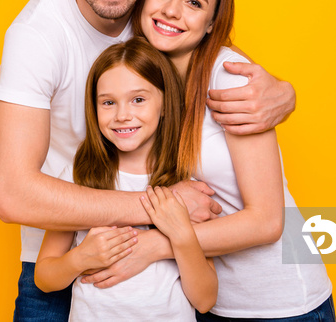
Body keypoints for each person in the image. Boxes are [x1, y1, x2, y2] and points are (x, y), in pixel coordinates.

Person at [0, 0, 296, 321]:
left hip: (172, 279)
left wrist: (283, 92)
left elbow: (206, 40)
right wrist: (160, 210)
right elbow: (13, 194)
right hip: (71, 261)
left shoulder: (149, 16)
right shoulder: (39, 34)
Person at [123, 0, 334, 321]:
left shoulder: (229, 77)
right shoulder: (141, 76)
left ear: (211, 22)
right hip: (206, 300)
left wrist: (157, 243)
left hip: (281, 306)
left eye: (194, 3)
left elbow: (267, 222)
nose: (171, 10)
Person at [34, 37, 217, 321]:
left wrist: (181, 234)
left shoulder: (185, 185)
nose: (122, 115)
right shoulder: (79, 176)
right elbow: (44, 277)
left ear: (166, 104)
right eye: (108, 102)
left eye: (138, 99)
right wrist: (81, 258)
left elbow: (205, 300)